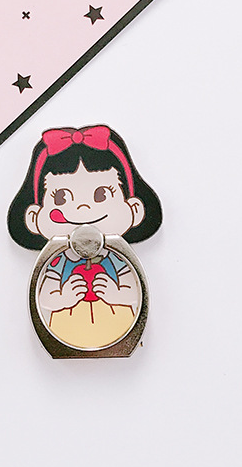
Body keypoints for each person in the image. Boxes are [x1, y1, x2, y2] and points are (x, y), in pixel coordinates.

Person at [8, 126, 162, 349]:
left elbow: (132, 294)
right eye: (61, 198)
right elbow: (48, 296)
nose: (83, 207)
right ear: (33, 217)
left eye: (101, 194)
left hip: (115, 322)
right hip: (66, 326)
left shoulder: (118, 259)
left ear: (134, 209)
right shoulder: (57, 262)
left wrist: (116, 293)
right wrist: (64, 298)